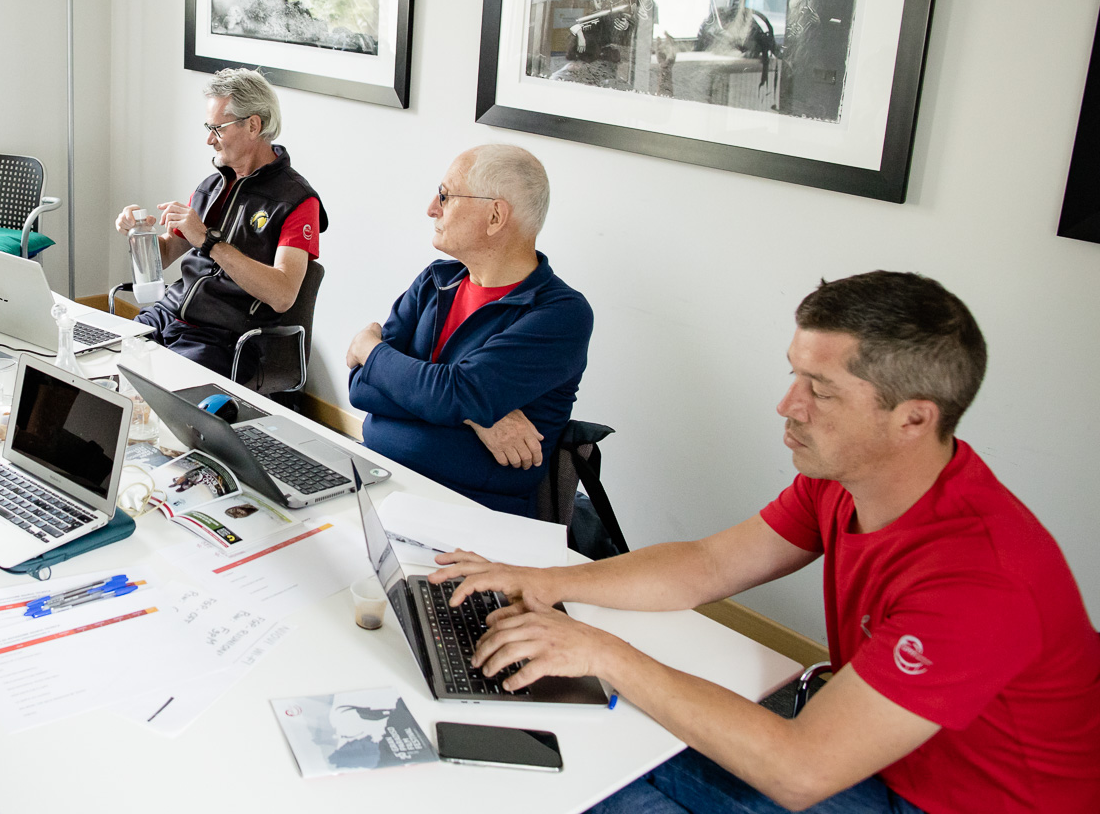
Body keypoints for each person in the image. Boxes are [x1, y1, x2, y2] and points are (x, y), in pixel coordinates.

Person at [432, 271, 1100, 814]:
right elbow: (707, 564)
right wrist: (542, 580)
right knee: (597, 741)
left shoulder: (981, 581)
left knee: (596, 782)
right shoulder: (844, 480)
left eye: (821, 391)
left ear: (913, 419)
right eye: (794, 375)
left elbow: (800, 770)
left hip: (951, 801)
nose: (788, 405)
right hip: (880, 758)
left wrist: (603, 652)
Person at [346, 145, 590, 517]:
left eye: (445, 195)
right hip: (376, 476)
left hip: (468, 511)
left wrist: (369, 348)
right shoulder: (435, 280)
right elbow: (361, 388)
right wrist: (475, 415)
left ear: (495, 216)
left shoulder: (561, 314)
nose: (432, 208)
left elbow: (452, 393)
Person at [115, 68, 325, 381]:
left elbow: (283, 294)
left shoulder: (297, 201)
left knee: (156, 382)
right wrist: (139, 234)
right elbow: (166, 254)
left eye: (217, 129)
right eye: (208, 127)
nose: (209, 139)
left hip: (225, 339)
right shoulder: (211, 187)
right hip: (168, 315)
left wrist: (209, 241)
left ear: (253, 125)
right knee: (103, 359)